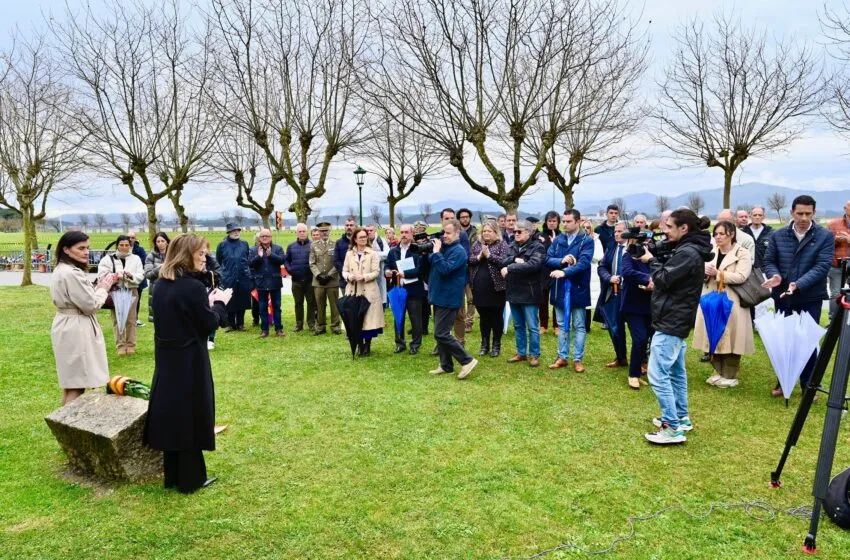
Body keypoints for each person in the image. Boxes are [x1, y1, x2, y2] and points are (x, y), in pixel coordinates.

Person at [144, 234, 231, 494]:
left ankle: (173, 476)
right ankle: (191, 478)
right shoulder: (191, 287)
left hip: (167, 357)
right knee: (191, 413)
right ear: (186, 255)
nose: (205, 258)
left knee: (173, 414)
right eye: (201, 254)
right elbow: (208, 323)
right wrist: (218, 304)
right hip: (189, 357)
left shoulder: (161, 284)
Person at [638, 209, 713, 444]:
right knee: (676, 373)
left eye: (669, 226)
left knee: (657, 374)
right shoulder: (688, 249)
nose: (665, 231)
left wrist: (650, 260)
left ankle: (672, 428)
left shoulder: (688, 253)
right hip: (676, 317)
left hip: (672, 319)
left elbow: (662, 279)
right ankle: (681, 417)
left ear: (684, 228)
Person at [762, 195, 834, 395]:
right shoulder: (778, 235)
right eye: (800, 213)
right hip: (783, 296)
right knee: (783, 340)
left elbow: (822, 266)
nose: (803, 218)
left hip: (810, 297)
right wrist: (775, 276)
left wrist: (798, 284)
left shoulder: (825, 236)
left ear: (814, 213)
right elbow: (769, 261)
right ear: (792, 212)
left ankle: (808, 386)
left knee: (807, 341)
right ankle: (783, 381)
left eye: (808, 214)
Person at [50, 231, 119, 405]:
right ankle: (69, 427)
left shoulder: (62, 269)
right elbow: (90, 305)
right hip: (76, 328)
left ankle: (63, 428)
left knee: (71, 383)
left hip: (67, 324)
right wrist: (104, 287)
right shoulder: (71, 273)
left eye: (87, 248)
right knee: (76, 384)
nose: (86, 252)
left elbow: (83, 297)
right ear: (66, 249)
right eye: (81, 248)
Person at [692, 221, 755, 388]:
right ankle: (718, 371)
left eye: (721, 234)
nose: (718, 237)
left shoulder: (743, 253)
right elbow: (702, 272)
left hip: (731, 301)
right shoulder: (711, 252)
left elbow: (742, 276)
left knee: (732, 337)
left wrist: (719, 274)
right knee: (713, 334)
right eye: (716, 234)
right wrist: (704, 273)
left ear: (731, 234)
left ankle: (730, 374)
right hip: (711, 299)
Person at [428, 219, 478, 379]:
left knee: (442, 333)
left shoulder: (459, 252)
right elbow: (432, 263)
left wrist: (436, 253)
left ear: (458, 233)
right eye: (444, 232)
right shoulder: (445, 248)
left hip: (449, 297)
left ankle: (467, 360)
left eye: (448, 233)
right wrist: (431, 251)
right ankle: (446, 365)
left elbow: (445, 269)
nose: (445, 236)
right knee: (439, 333)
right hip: (439, 296)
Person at [547, 210, 595, 372]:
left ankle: (577, 359)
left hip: (578, 288)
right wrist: (561, 261)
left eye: (568, 221)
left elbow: (584, 263)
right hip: (559, 289)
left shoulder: (586, 241)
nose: (565, 224)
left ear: (577, 222)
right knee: (561, 324)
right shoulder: (559, 240)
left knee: (579, 325)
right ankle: (562, 357)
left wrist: (565, 272)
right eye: (564, 221)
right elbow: (547, 259)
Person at [499, 220, 546, 367]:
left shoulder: (538, 247)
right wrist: (514, 260)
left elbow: (533, 265)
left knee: (532, 326)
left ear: (528, 232)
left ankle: (534, 354)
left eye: (519, 232)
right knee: (518, 326)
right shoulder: (512, 245)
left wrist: (511, 267)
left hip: (530, 292)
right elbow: (502, 261)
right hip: (513, 291)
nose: (516, 234)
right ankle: (521, 353)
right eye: (514, 232)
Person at [98, 235, 145, 355]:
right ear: (117, 245)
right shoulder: (108, 259)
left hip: (131, 290)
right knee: (117, 319)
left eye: (127, 245)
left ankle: (130, 344)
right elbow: (102, 274)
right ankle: (120, 345)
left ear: (130, 245)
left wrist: (130, 276)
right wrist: (115, 276)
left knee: (131, 319)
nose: (124, 247)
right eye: (121, 245)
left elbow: (140, 275)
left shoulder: (136, 259)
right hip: (116, 291)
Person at [343, 227, 385, 356]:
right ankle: (359, 344)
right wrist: (349, 277)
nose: (363, 239)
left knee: (368, 319)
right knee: (356, 318)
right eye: (360, 237)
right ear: (355, 239)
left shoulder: (372, 253)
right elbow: (344, 270)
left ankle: (367, 345)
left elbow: (376, 271)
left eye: (365, 237)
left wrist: (365, 277)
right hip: (354, 289)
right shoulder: (349, 253)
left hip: (369, 290)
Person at [469, 221, 508, 357]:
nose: (486, 233)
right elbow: (470, 260)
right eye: (484, 231)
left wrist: (489, 256)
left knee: (496, 316)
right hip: (479, 287)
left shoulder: (502, 245)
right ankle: (484, 344)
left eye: (489, 231)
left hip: (497, 287)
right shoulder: (476, 244)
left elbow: (504, 261)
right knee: (484, 316)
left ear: (496, 233)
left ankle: (496, 345)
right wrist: (480, 256)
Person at [386, 224, 425, 354]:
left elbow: (420, 270)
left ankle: (415, 344)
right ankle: (400, 343)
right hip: (397, 288)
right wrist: (387, 271)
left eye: (406, 232)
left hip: (413, 289)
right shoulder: (393, 251)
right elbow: (388, 265)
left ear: (412, 233)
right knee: (398, 318)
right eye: (402, 232)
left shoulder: (417, 250)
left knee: (415, 319)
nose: (404, 234)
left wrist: (406, 274)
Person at [620, 236, 653, 390]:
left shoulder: (652, 256)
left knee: (646, 339)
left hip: (650, 305)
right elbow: (627, 272)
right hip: (632, 305)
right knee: (639, 338)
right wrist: (648, 279)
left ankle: (641, 370)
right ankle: (633, 374)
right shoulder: (628, 255)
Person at [597, 222, 628, 369]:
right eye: (615, 231)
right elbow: (602, 266)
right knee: (615, 327)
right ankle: (620, 357)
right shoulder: (611, 247)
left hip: (632, 294)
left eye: (620, 231)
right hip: (614, 293)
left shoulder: (635, 249)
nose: (616, 234)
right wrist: (609, 277)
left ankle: (642, 361)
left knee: (638, 330)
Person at [215, 224, 253, 331]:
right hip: (228, 277)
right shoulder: (222, 245)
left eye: (238, 231)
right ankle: (230, 324)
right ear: (228, 232)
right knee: (229, 301)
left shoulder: (244, 244)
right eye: (233, 231)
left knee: (242, 300)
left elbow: (246, 258)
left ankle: (240, 323)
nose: (236, 233)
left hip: (243, 277)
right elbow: (218, 260)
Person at [249, 228, 285, 337]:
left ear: (271, 237)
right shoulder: (254, 250)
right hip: (261, 283)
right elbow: (250, 263)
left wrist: (271, 255)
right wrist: (259, 257)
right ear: (259, 238)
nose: (265, 238)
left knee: (277, 307)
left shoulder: (278, 248)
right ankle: (264, 330)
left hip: (275, 282)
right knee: (262, 307)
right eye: (262, 236)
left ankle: (279, 329)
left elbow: (282, 260)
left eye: (267, 236)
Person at [310, 222, 342, 335]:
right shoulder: (313, 245)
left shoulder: (335, 244)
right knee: (319, 304)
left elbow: (337, 262)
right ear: (318, 232)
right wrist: (318, 275)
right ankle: (320, 326)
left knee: (334, 304)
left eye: (326, 230)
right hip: (318, 281)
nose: (324, 233)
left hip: (332, 280)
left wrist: (329, 275)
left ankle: (335, 326)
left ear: (330, 231)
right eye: (322, 231)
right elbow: (312, 263)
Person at [286, 223, 317, 332]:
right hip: (296, 281)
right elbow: (286, 260)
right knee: (298, 303)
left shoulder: (313, 245)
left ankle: (311, 323)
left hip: (310, 280)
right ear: (297, 233)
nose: (302, 233)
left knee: (311, 303)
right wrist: (290, 270)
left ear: (307, 232)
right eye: (300, 231)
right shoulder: (291, 246)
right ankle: (299, 324)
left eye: (304, 231)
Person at [537, 211, 561, 335]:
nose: (552, 223)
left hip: (557, 271)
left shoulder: (562, 236)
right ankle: (543, 325)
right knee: (542, 299)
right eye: (549, 221)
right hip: (543, 271)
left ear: (558, 222)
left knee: (556, 298)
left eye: (554, 221)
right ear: (546, 222)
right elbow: (539, 253)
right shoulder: (540, 236)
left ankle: (557, 325)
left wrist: (555, 242)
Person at [826, 200, 850, 320]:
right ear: (845, 208)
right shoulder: (833, 224)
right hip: (837, 264)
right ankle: (833, 321)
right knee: (836, 293)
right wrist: (836, 240)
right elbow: (825, 245)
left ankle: (847, 321)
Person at [458, 207, 478, 332]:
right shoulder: (456, 233)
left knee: (471, 298)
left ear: (470, 218)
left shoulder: (476, 232)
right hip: (460, 269)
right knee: (460, 298)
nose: (465, 219)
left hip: (472, 268)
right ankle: (461, 320)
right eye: (462, 217)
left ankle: (469, 322)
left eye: (466, 216)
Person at [144, 232, 170, 323]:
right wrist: (160, 268)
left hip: (171, 289)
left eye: (162, 241)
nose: (160, 243)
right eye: (158, 241)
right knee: (159, 321)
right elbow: (148, 274)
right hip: (156, 290)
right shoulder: (150, 256)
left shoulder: (173, 256)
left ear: (167, 242)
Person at [201, 238, 222, 351]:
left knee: (211, 314)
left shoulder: (211, 261)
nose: (203, 250)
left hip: (210, 290)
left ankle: (211, 339)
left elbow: (219, 273)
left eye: (205, 247)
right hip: (198, 291)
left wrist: (207, 272)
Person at [742, 205, 774, 272]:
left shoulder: (771, 233)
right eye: (755, 215)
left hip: (765, 271)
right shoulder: (743, 232)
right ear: (750, 217)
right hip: (747, 271)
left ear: (763, 217)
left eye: (760, 215)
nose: (757, 217)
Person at [365, 223, 390, 305]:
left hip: (380, 271)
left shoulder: (381, 241)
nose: (369, 232)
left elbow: (387, 254)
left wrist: (373, 255)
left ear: (375, 230)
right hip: (366, 272)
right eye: (367, 231)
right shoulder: (363, 240)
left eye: (371, 230)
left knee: (380, 295)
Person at [128, 231, 148, 327]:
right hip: (126, 280)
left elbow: (143, 262)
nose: (131, 239)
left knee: (137, 300)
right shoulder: (124, 249)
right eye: (129, 237)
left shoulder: (140, 250)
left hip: (138, 279)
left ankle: (135, 319)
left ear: (135, 239)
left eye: (132, 237)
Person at [334, 218, 355, 292]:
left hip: (358, 280)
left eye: (351, 225)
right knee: (346, 303)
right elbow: (336, 261)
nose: (349, 227)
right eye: (347, 225)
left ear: (355, 227)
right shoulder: (339, 243)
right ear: (344, 227)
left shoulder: (360, 241)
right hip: (344, 280)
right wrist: (346, 273)